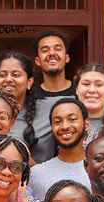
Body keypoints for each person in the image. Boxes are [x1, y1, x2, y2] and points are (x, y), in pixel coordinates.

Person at [27, 98, 91, 201]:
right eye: (58, 122)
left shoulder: (99, 170)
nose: (65, 126)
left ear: (86, 124)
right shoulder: (36, 174)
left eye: (72, 119)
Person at [26, 31, 75, 163]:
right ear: (37, 60)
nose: (52, 53)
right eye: (45, 50)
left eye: (58, 49)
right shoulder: (29, 97)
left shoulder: (81, 92)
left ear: (67, 57)